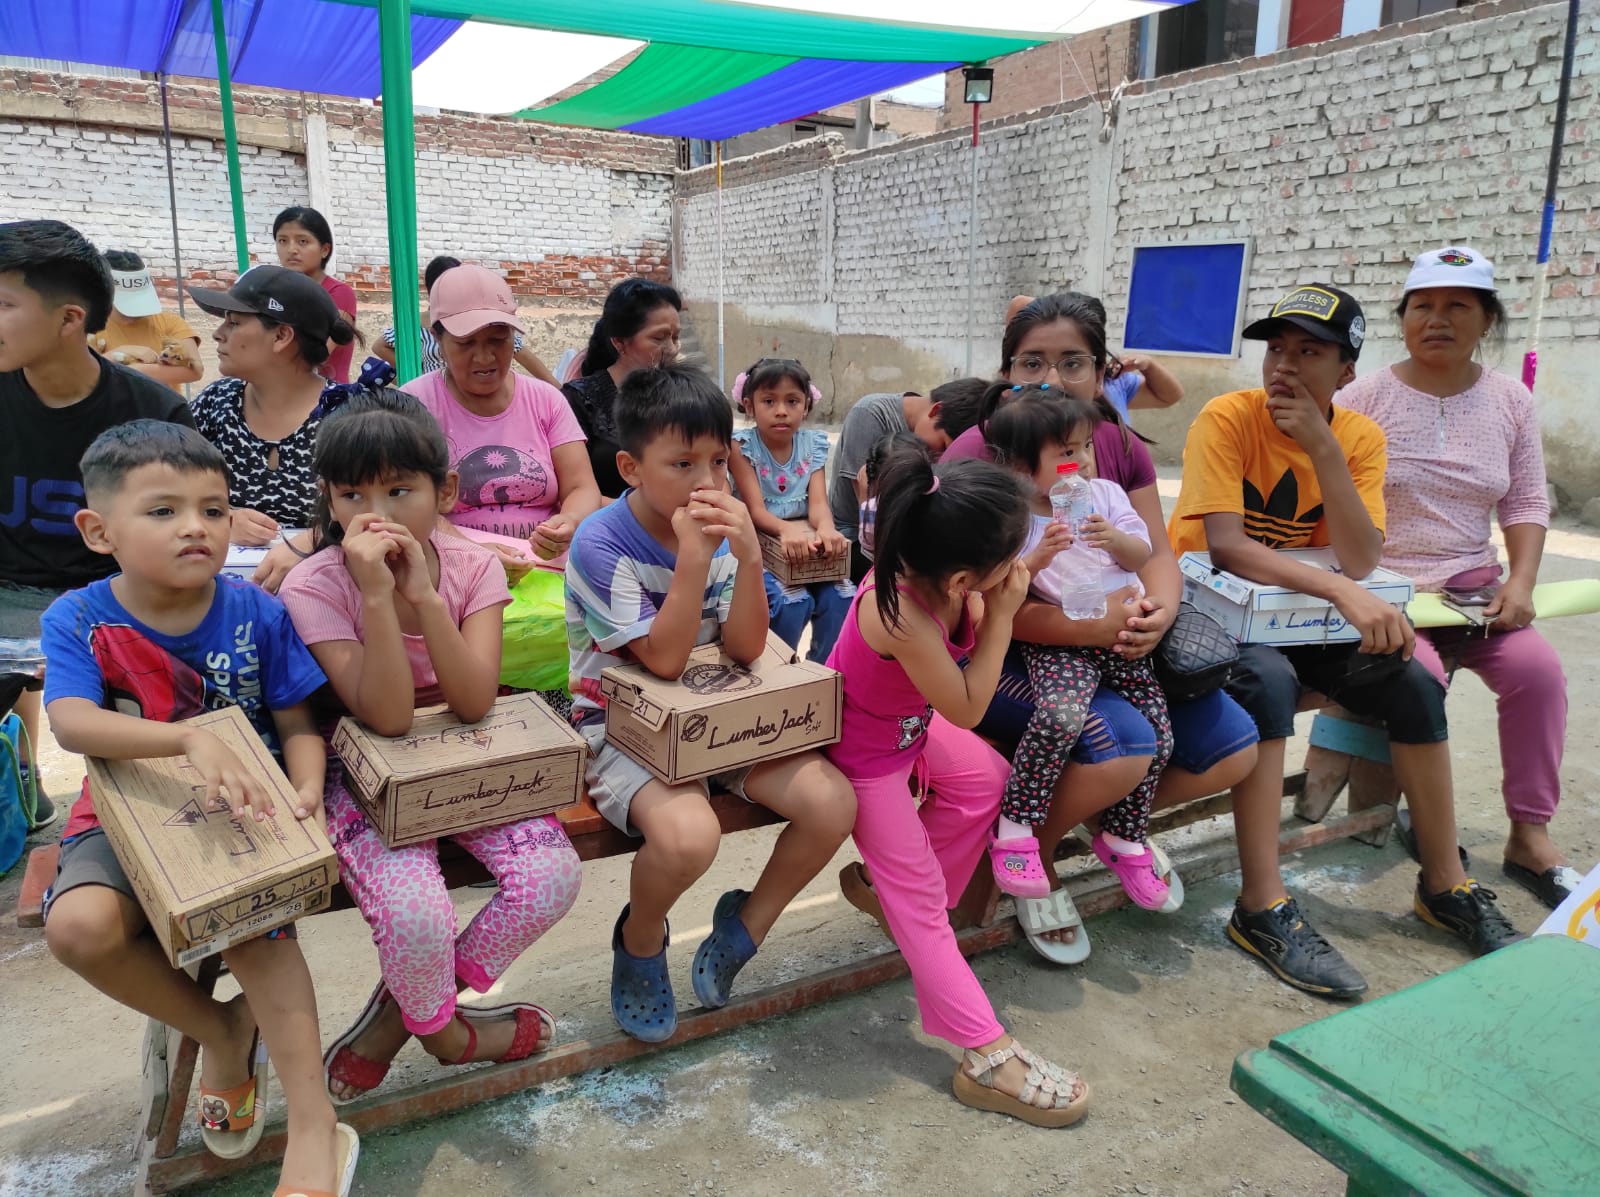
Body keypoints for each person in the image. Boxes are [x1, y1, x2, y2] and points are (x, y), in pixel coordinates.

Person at [1170, 282, 1522, 998]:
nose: (1285, 367)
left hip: (1297, 611)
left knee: (1411, 679)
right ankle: (1261, 904)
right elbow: (1230, 547)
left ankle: (1445, 882)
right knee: (1265, 682)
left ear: (1347, 373)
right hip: (1214, 608)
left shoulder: (1359, 438)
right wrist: (1339, 591)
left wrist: (1324, 447)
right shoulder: (1227, 417)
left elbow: (1361, 557)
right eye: (1276, 349)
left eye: (1310, 352)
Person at [39, 420, 357, 1196]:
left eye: (213, 510)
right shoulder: (79, 617)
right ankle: (220, 1024)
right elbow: (72, 721)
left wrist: (306, 788)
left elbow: (295, 722)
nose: (195, 527)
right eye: (163, 510)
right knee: (78, 927)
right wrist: (183, 739)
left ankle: (315, 1124)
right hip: (129, 811)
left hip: (247, 813)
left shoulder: (256, 610)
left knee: (255, 927)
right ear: (98, 529)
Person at [277, 392, 581, 1104]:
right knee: (416, 911)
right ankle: (448, 1035)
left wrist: (428, 597)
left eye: (399, 489)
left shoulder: (472, 567)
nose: (373, 511)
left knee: (551, 878)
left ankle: (401, 1016)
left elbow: (474, 700)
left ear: (444, 491)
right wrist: (379, 598)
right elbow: (382, 715)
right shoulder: (313, 583)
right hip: (361, 773)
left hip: (459, 753)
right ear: (327, 497)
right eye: (351, 493)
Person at [948, 292, 1260, 964]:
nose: (1051, 380)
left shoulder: (1106, 449)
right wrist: (1079, 629)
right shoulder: (988, 455)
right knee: (1121, 740)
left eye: (1072, 363)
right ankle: (1027, 853)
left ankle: (1116, 830)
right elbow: (973, 600)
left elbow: (1154, 552)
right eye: (1032, 362)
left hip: (1113, 637)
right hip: (1015, 648)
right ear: (1006, 370)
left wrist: (1158, 613)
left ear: (1101, 370)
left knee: (1233, 743)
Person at [564, 364, 856, 1041]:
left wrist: (751, 557)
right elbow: (661, 660)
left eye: (719, 462)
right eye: (683, 462)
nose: (707, 483)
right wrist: (697, 559)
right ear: (631, 468)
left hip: (716, 710)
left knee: (832, 802)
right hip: (621, 721)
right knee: (690, 835)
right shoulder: (602, 542)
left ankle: (746, 923)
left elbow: (749, 646)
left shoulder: (722, 533)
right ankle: (639, 940)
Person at [825, 446, 1089, 1126]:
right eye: (1013, 552)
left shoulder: (944, 565)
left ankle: (908, 909)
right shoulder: (901, 612)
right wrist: (1001, 615)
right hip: (863, 753)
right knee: (922, 905)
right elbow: (969, 706)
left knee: (987, 779)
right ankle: (985, 1054)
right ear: (969, 573)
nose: (1019, 562)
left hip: (904, 727)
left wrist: (1028, 569)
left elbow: (1002, 581)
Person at [1340, 246, 1579, 909]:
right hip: (1388, 591)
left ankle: (1529, 836)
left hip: (1476, 592)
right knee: (1422, 682)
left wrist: (1521, 582)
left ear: (1487, 319)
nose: (1436, 319)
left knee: (1539, 675)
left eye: (1457, 306)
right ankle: (1429, 825)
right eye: (1423, 305)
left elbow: (1527, 502)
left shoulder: (1510, 399)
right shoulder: (1362, 397)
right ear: (1404, 316)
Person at [0, 219, 195, 833]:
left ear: (69, 319)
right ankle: (23, 787)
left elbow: (181, 538)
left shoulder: (151, 412)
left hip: (113, 600)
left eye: (4, 305)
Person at [983, 395, 1171, 911]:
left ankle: (1124, 837)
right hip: (1064, 644)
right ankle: (1016, 828)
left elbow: (1143, 551)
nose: (1083, 462)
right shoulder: (1017, 518)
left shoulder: (1106, 495)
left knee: (1159, 730)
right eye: (1068, 453)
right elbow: (1002, 590)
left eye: (1086, 448)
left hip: (1121, 639)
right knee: (1060, 717)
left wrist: (1114, 540)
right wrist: (1039, 552)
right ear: (1023, 468)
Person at [402, 264, 600, 571]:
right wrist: (472, 550)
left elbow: (581, 487)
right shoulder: (413, 404)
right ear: (438, 341)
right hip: (450, 564)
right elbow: (401, 502)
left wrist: (568, 521)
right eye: (466, 344)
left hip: (546, 566)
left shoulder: (546, 399)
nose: (484, 358)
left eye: (498, 340)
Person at [186, 266, 363, 586]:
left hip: (333, 589)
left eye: (234, 322)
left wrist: (314, 540)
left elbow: (382, 507)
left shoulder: (349, 414)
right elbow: (171, 484)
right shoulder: (217, 403)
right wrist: (220, 517)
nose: (218, 333)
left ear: (282, 336)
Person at [728, 357, 853, 662]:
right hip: (759, 546)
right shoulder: (741, 447)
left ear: (807, 406)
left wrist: (826, 528)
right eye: (769, 401)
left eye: (792, 401)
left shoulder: (814, 445)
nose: (781, 410)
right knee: (792, 603)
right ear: (749, 405)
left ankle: (823, 670)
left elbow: (819, 504)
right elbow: (755, 511)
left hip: (804, 546)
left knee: (843, 596)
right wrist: (785, 530)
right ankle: (780, 670)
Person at [827, 378, 986, 583]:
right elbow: (868, 512)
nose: (941, 459)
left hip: (906, 535)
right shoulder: (870, 414)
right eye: (944, 446)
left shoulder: (926, 431)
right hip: (858, 537)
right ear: (936, 411)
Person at [561, 279, 683, 498]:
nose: (672, 349)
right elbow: (571, 491)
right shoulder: (579, 400)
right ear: (619, 342)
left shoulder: (684, 395)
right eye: (659, 338)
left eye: (675, 337)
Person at [375, 255, 559, 387]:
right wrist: (414, 375)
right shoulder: (415, 325)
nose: (483, 356)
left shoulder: (484, 322)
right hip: (439, 398)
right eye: (464, 342)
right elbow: (379, 346)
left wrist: (559, 390)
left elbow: (522, 354)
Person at [88, 250, 203, 391]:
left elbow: (195, 370)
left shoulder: (170, 323)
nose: (136, 310)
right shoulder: (89, 326)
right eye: (127, 301)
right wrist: (118, 354)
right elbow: (82, 376)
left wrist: (132, 370)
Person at [274, 206, 357, 384]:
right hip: (281, 393)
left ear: (325, 249)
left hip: (327, 396)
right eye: (282, 241)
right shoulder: (273, 293)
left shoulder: (339, 294)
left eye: (302, 241)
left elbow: (318, 355)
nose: (291, 249)